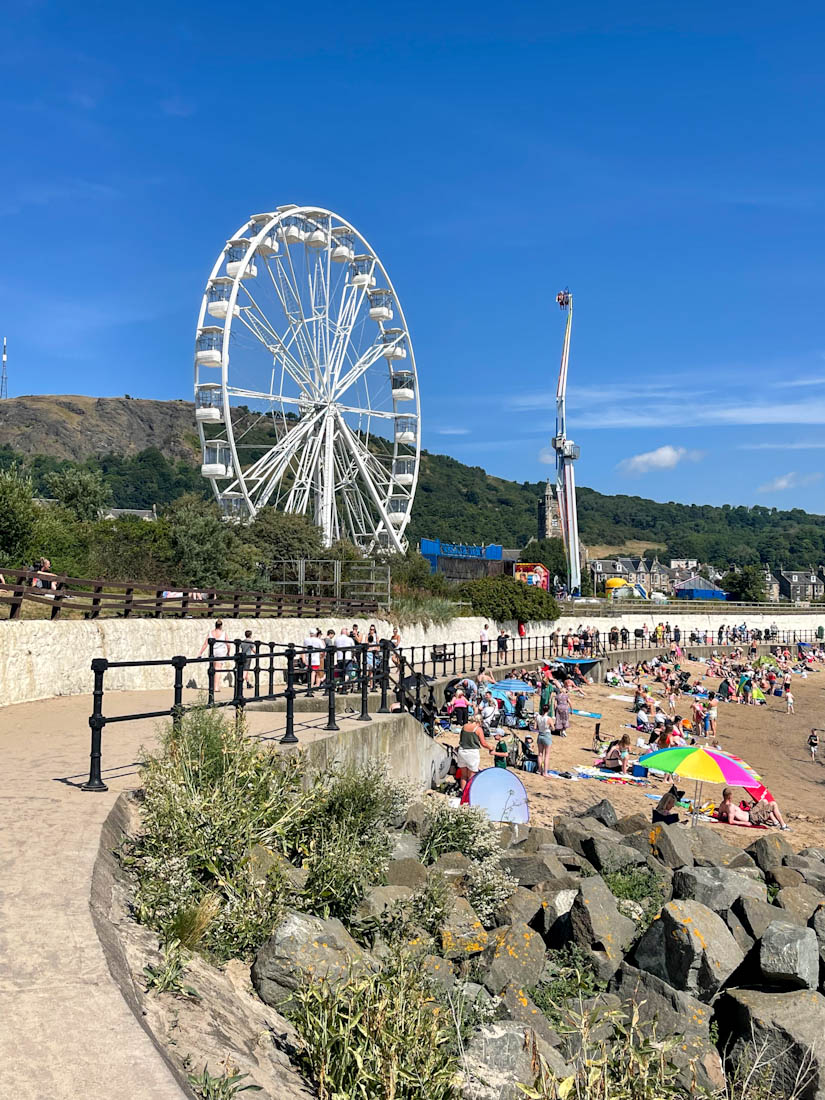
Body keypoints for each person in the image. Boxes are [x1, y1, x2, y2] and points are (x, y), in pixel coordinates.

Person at [717, 787, 790, 830]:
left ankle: (775, 822)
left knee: (764, 801)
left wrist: (724, 816)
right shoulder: (730, 806)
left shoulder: (721, 805)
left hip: (750, 813)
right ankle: (783, 825)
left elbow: (719, 816)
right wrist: (746, 823)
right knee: (773, 804)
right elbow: (731, 821)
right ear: (730, 796)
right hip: (752, 819)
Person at [456, 716, 494, 792]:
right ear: (479, 722)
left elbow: (461, 739)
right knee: (471, 776)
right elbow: (483, 743)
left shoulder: (465, 726)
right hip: (472, 752)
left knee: (463, 776)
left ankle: (463, 793)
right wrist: (491, 747)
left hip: (462, 751)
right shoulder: (478, 729)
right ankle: (469, 793)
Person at [198, 619, 230, 691]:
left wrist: (200, 653)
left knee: (212, 669)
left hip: (212, 652)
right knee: (218, 669)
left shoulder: (210, 633)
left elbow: (205, 644)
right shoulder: (224, 633)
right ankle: (216, 687)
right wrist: (228, 652)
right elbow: (228, 644)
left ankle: (212, 685)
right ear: (221, 626)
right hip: (221, 652)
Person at [534, 705, 553, 776]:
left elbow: (535, 727)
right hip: (546, 735)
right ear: (548, 710)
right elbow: (553, 728)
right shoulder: (548, 719)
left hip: (540, 735)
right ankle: (545, 772)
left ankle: (540, 769)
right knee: (547, 755)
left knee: (540, 754)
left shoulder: (538, 717)